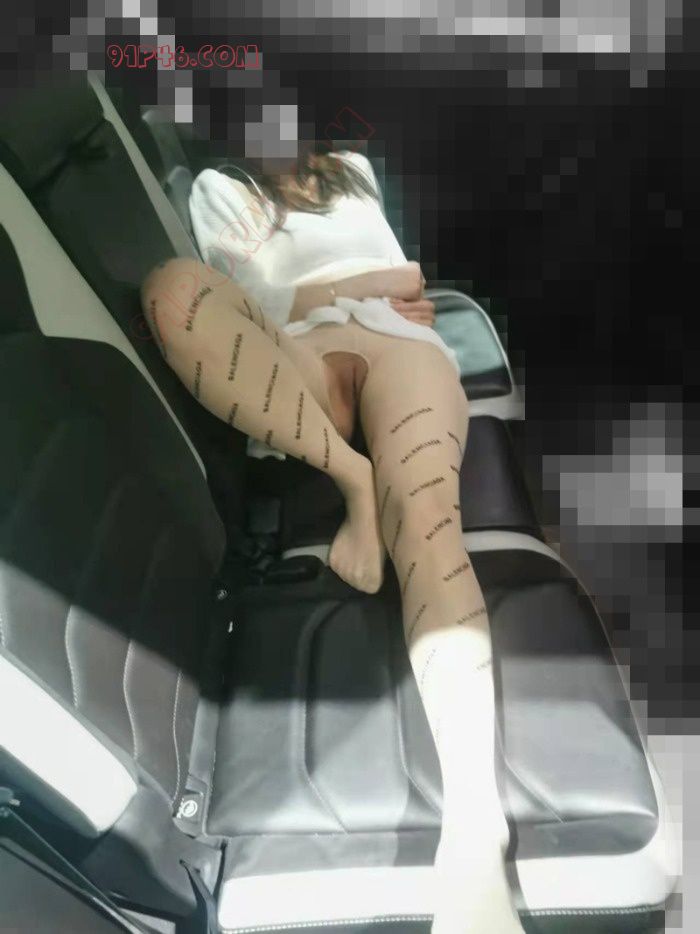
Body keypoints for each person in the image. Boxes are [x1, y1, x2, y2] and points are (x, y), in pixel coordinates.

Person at [141, 147, 524, 934]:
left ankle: (476, 826)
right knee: (173, 290)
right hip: (301, 365)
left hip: (400, 349)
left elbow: (410, 282)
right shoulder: (221, 189)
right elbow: (257, 299)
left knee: (425, 516)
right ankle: (353, 478)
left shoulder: (352, 167)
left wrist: (367, 288)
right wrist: (368, 286)